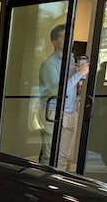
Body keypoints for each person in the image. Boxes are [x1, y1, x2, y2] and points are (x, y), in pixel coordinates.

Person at [38, 24, 90, 169]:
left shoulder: (71, 60)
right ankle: (43, 185)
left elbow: (72, 85)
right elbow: (57, 90)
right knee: (49, 156)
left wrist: (80, 76)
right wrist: (80, 74)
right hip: (54, 113)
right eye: (63, 37)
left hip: (70, 113)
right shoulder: (49, 64)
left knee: (63, 157)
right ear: (54, 42)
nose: (68, 40)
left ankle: (57, 185)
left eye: (70, 36)